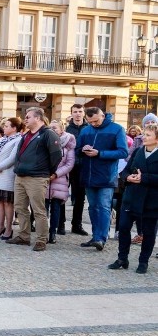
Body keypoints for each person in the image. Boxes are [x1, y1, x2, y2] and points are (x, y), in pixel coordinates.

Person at [5, 107, 62, 252]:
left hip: (37, 177)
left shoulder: (48, 134)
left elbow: (56, 156)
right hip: (21, 176)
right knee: (20, 208)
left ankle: (42, 239)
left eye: (28, 116)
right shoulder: (26, 135)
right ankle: (24, 236)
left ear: (38, 118)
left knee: (38, 210)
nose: (25, 119)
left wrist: (48, 172)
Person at [76, 107, 128, 251]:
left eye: (96, 121)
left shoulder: (117, 129)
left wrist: (100, 153)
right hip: (89, 174)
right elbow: (77, 150)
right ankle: (95, 236)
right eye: (91, 122)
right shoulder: (86, 130)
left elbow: (123, 152)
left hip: (107, 176)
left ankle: (101, 238)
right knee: (93, 207)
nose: (94, 124)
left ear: (103, 116)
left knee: (104, 207)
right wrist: (82, 149)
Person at [109, 125, 158, 274]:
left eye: (148, 135)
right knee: (123, 228)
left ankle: (143, 261)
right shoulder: (137, 151)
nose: (144, 137)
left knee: (149, 233)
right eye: (144, 134)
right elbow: (126, 170)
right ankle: (122, 258)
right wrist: (127, 177)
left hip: (151, 200)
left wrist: (145, 178)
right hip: (131, 197)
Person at [0, 117, 22, 240]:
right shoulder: (2, 139)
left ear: (14, 128)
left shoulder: (18, 140)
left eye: (7, 126)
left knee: (8, 203)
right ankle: (0, 227)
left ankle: (9, 229)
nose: (4, 128)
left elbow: (12, 158)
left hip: (7, 175)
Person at [47, 120, 75, 245]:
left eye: (55, 128)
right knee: (42, 207)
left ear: (61, 130)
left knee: (56, 208)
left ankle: (53, 232)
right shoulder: (46, 141)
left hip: (60, 179)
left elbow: (70, 164)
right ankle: (42, 232)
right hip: (45, 178)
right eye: (50, 128)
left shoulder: (68, 144)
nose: (53, 130)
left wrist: (56, 174)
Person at [65, 103, 89, 236]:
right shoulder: (67, 129)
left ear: (83, 113)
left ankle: (77, 224)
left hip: (82, 166)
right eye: (75, 111)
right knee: (61, 195)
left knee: (80, 197)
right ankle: (60, 224)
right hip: (67, 166)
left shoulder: (89, 128)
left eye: (80, 111)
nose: (78, 114)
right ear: (72, 113)